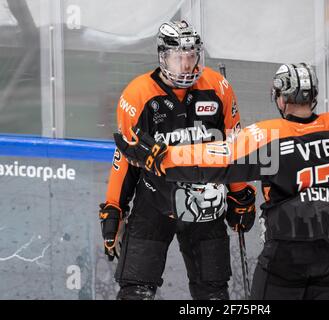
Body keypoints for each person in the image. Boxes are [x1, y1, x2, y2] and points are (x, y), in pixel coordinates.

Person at [114, 62, 329, 300]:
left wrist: (160, 157)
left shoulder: (269, 138)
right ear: (314, 95)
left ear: (281, 98)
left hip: (286, 257)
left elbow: (215, 159)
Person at [99, 20, 256, 300]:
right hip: (154, 204)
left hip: (206, 204)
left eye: (191, 56)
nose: (186, 65)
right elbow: (126, 158)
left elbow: (234, 146)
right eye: (178, 57)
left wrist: (240, 194)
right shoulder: (137, 95)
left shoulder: (218, 87)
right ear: (163, 56)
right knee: (135, 292)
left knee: (213, 295)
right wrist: (114, 208)